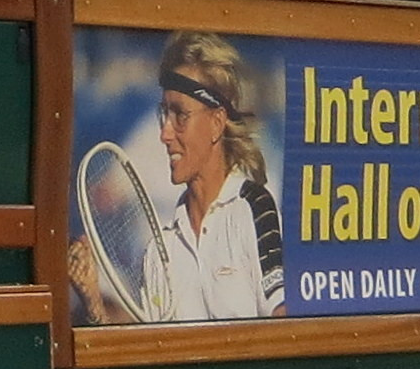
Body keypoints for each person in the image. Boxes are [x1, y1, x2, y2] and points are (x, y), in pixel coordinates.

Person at [70, 30, 288, 322]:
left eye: (180, 116)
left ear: (216, 122)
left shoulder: (256, 208)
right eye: (164, 115)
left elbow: (284, 320)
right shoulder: (161, 248)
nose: (164, 133)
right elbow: (146, 349)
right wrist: (94, 303)